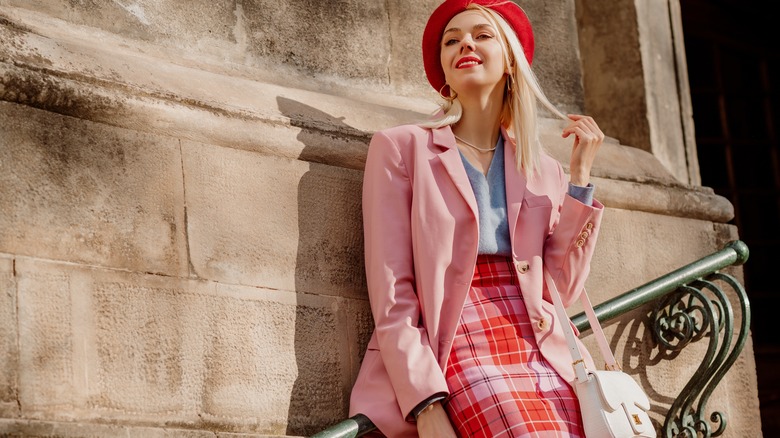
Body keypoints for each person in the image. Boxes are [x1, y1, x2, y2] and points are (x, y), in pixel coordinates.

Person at [349, 0, 605, 436]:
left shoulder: (543, 169)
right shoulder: (401, 149)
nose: (465, 42)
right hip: (457, 342)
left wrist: (578, 180)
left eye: (482, 34)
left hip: (538, 343)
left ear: (510, 60)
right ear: (444, 72)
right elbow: (393, 293)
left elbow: (559, 290)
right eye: (452, 40)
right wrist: (426, 406)